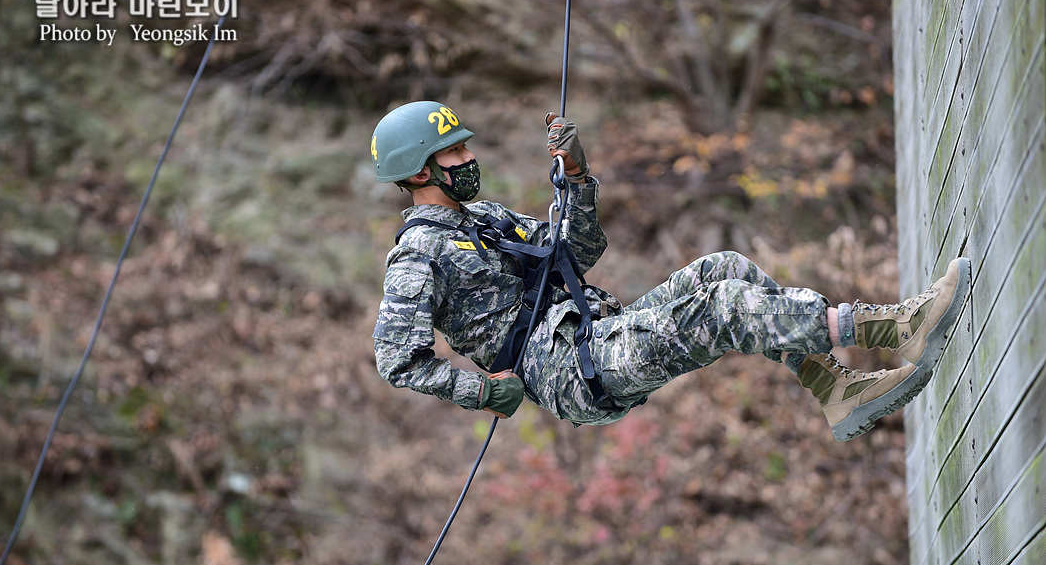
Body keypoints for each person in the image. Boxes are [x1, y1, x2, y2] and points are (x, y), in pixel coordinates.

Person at [371, 101, 971, 441]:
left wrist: (577, 177)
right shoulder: (417, 255)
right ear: (419, 170)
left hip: (597, 329)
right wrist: (478, 390)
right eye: (453, 153)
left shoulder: (488, 219)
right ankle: (891, 328)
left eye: (466, 147)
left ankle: (835, 389)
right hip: (569, 371)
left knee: (724, 267)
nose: (468, 158)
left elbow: (575, 254)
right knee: (721, 309)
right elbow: (396, 357)